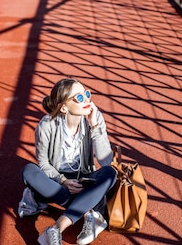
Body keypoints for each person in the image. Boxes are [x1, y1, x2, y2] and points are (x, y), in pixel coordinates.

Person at [18, 77, 117, 245]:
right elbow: (43, 164)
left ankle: (56, 228)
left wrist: (95, 127)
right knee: (28, 170)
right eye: (79, 98)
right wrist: (63, 180)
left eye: (86, 94)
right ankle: (91, 208)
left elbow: (106, 161)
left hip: (84, 178)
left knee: (109, 173)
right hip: (57, 179)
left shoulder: (94, 117)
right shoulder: (46, 125)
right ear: (63, 107)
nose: (86, 100)